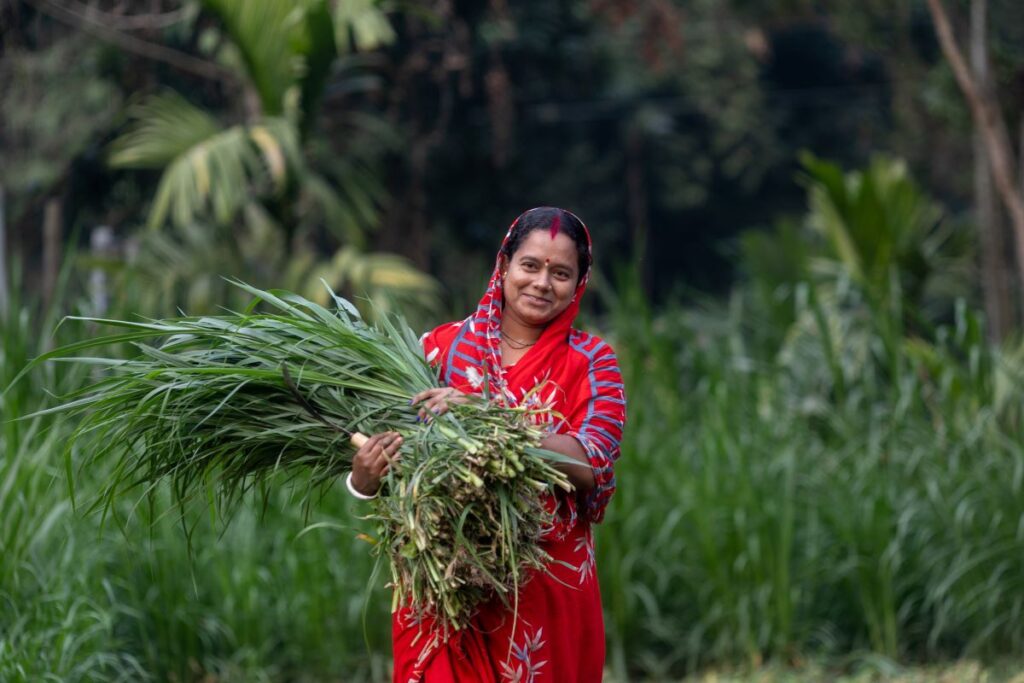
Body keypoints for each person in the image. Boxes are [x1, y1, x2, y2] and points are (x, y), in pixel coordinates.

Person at [348, 207, 626, 683]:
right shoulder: (437, 350)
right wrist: (364, 479)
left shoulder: (591, 362)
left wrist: (482, 416)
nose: (542, 283)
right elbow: (396, 459)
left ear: (579, 283)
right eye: (530, 265)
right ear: (504, 265)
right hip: (443, 591)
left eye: (561, 273)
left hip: (541, 594)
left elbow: (590, 461)